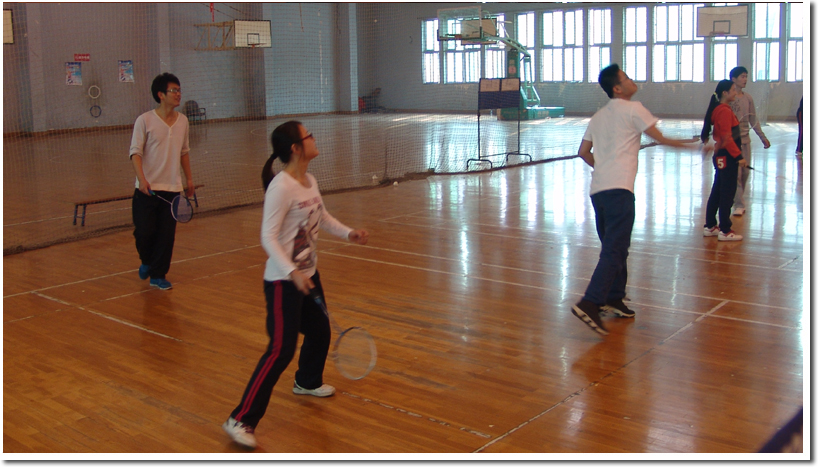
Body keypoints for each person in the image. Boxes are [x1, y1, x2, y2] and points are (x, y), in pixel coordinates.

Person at [223, 121, 370, 449]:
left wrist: (349, 233)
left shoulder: (309, 180)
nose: (314, 138)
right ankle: (240, 419)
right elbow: (267, 237)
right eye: (308, 135)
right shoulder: (281, 187)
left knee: (319, 331)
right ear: (295, 148)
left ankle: (306, 381)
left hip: (308, 275)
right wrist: (291, 272)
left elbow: (323, 217)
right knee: (280, 350)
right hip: (282, 282)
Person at [571, 64, 690, 336]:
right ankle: (590, 302)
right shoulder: (634, 109)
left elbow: (583, 152)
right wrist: (696, 145)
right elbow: (661, 139)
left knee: (616, 247)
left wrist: (603, 167)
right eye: (626, 77)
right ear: (617, 88)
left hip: (598, 192)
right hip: (620, 191)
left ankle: (614, 298)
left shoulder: (598, 116)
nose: (631, 80)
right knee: (614, 250)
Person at [129, 73, 194, 290]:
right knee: (144, 232)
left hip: (172, 189)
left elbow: (184, 152)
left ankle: (158, 275)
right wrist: (142, 180)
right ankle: (147, 261)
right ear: (160, 95)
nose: (178, 94)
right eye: (173, 90)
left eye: (179, 90)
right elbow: (135, 153)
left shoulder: (183, 121)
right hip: (146, 190)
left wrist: (189, 179)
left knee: (166, 236)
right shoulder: (144, 120)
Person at [701, 66, 770, 217]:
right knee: (733, 178)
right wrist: (736, 155)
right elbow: (725, 134)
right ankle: (735, 207)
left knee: (744, 174)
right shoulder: (724, 106)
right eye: (742, 76)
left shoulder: (747, 98)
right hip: (730, 147)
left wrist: (762, 136)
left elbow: (753, 119)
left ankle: (722, 213)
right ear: (733, 80)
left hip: (743, 142)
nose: (745, 79)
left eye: (746, 76)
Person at [702, 79, 745, 242]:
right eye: (733, 90)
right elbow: (727, 137)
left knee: (718, 190)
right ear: (725, 93)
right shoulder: (724, 111)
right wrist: (739, 156)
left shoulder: (721, 109)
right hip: (727, 156)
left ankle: (710, 226)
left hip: (722, 155)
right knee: (727, 193)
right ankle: (725, 230)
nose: (735, 92)